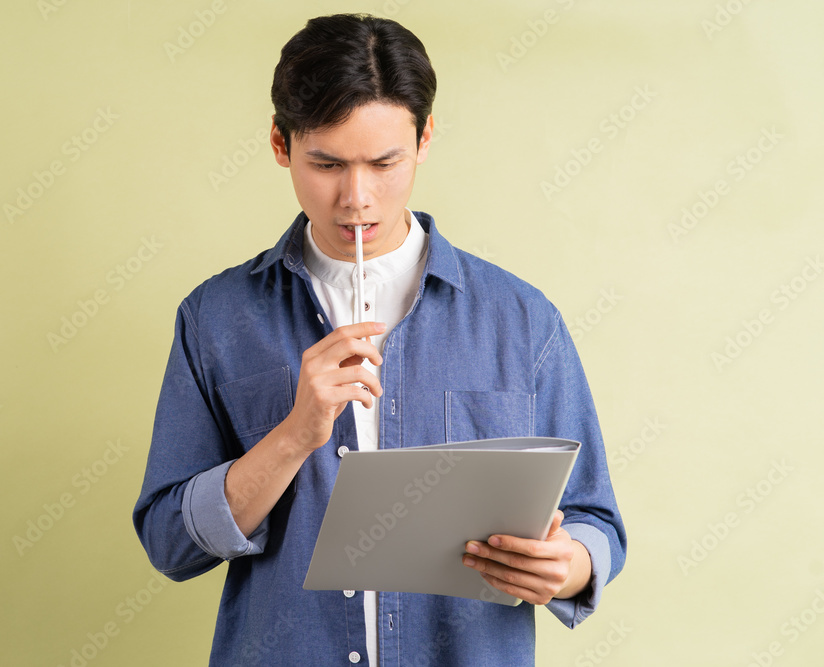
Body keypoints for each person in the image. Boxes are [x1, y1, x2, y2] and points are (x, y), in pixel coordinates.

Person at [133, 13, 626, 666]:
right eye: (326, 163)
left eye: (385, 162)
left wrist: (566, 567)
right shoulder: (216, 318)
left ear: (424, 139)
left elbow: (595, 517)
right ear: (281, 144)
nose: (356, 197)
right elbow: (171, 541)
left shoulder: (523, 318)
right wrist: (294, 436)